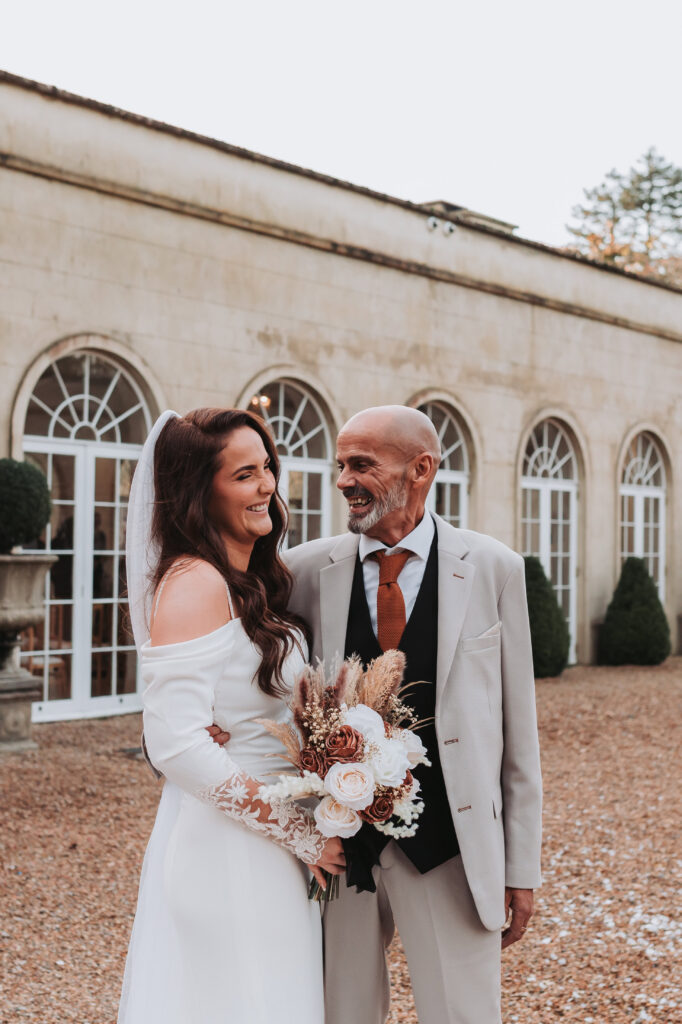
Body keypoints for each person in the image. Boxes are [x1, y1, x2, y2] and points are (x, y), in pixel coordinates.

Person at [282, 405, 542, 1024]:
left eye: (361, 464)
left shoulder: (494, 567)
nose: (344, 479)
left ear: (421, 469)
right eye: (340, 464)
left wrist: (520, 864)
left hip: (452, 846)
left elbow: (517, 728)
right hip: (338, 847)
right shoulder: (305, 570)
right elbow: (257, 671)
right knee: (340, 1013)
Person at [119, 408, 344, 1024]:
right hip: (231, 851)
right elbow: (177, 745)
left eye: (267, 467)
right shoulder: (195, 582)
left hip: (267, 845)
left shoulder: (250, 580)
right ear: (199, 492)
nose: (267, 484)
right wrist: (303, 835)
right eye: (245, 474)